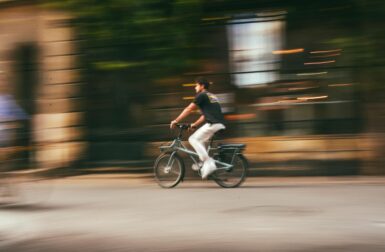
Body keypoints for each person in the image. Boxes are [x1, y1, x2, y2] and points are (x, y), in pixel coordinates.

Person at [170, 77, 225, 179]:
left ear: (202, 86)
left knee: (192, 139)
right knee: (200, 140)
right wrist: (194, 124)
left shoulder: (201, 95)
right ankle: (204, 162)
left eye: (196, 85)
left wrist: (176, 120)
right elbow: (205, 115)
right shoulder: (212, 96)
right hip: (218, 123)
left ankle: (209, 162)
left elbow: (189, 109)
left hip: (213, 124)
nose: (195, 87)